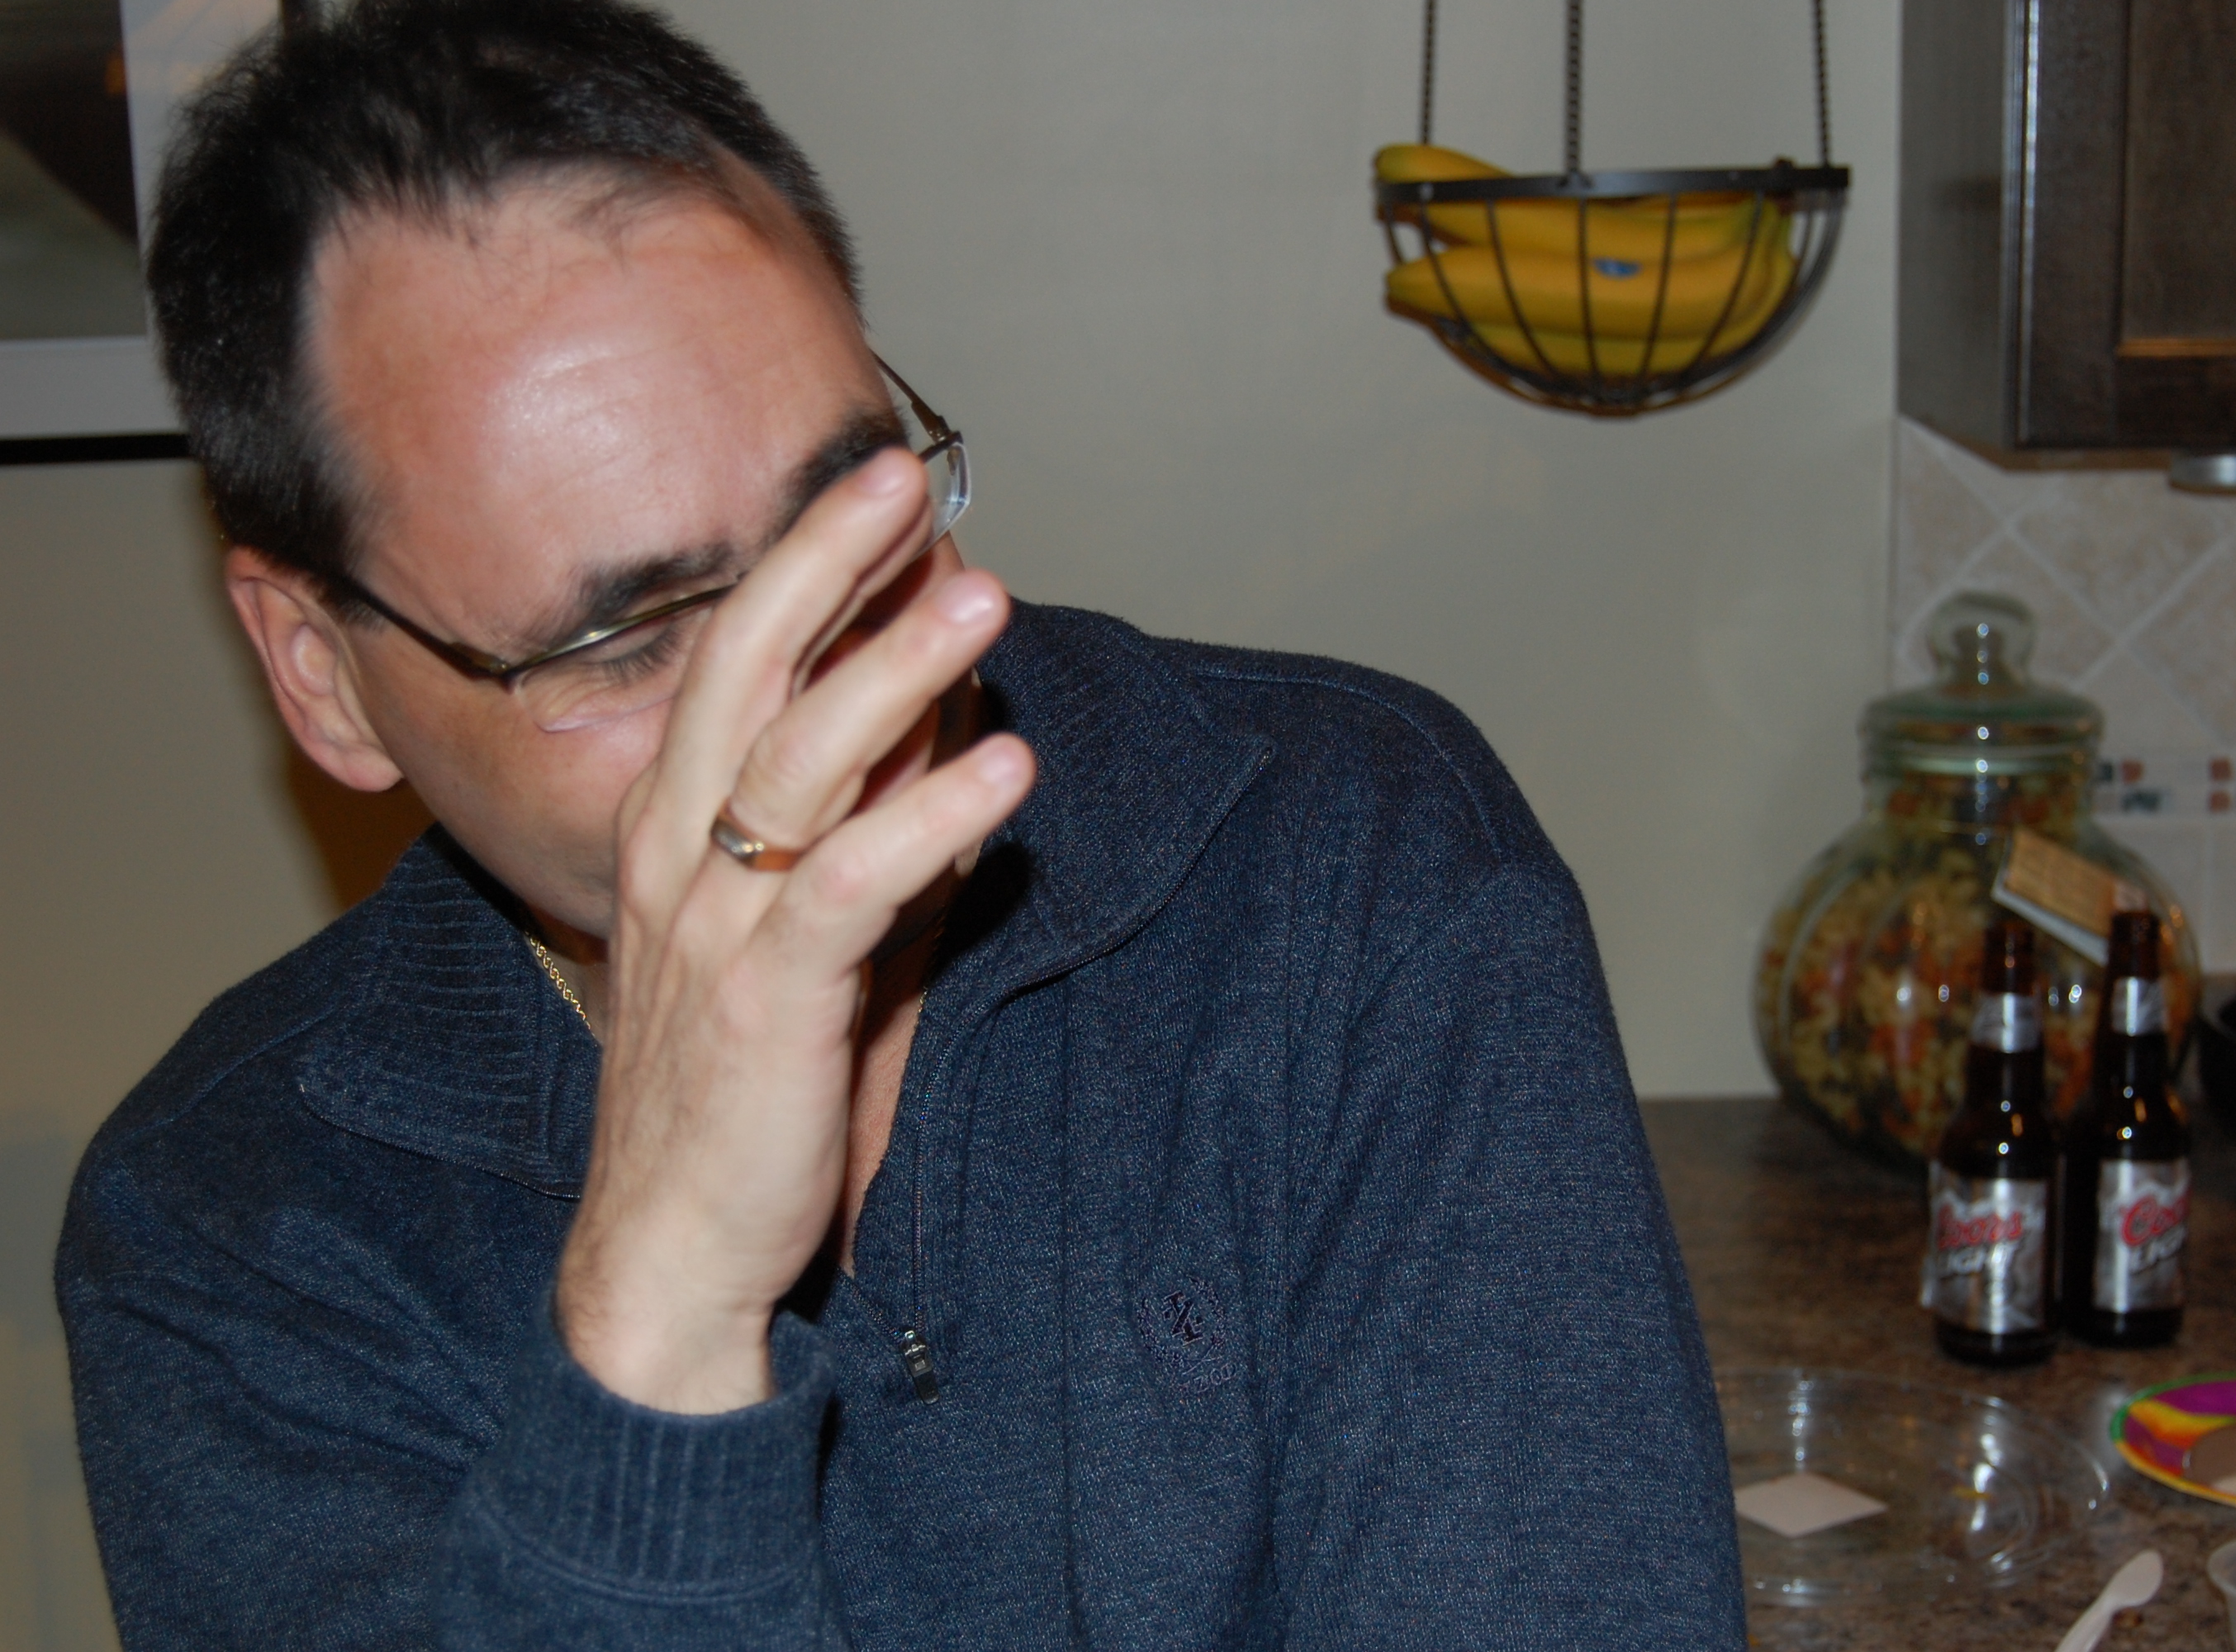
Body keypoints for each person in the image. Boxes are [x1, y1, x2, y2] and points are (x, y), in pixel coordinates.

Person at [55, 0, 1745, 1645]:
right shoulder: (228, 1231)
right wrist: (660, 1330)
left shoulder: (1352, 867)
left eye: (851, 519)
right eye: (626, 639)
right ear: (325, 677)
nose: (825, 695)